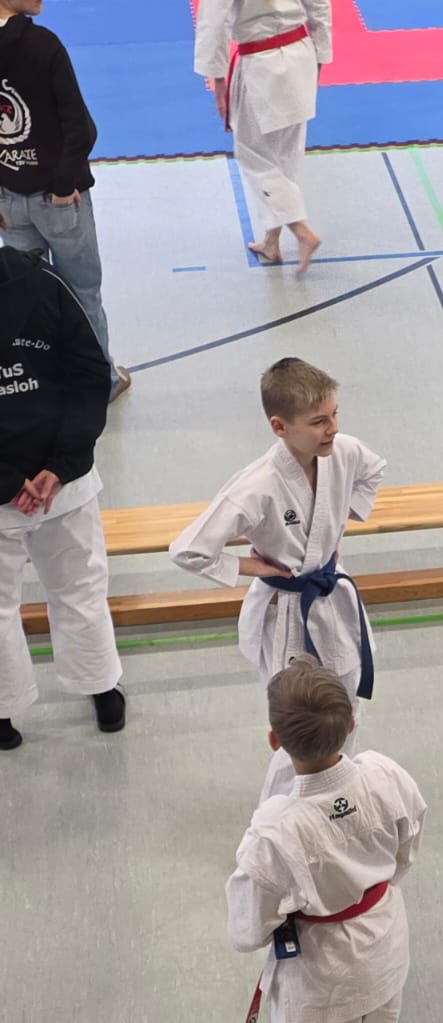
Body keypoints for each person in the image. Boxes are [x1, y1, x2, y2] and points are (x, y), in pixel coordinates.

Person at [227, 658, 426, 1023]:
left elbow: (248, 926)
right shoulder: (385, 776)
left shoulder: (275, 828)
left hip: (320, 968)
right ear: (352, 723)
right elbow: (408, 847)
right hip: (384, 935)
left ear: (274, 740)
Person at [169, 356, 384, 797]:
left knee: (344, 708)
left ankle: (336, 793)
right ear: (279, 426)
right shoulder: (257, 484)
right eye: (318, 421)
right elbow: (188, 550)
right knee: (298, 722)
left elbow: (372, 471)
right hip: (288, 609)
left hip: (334, 594)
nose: (333, 428)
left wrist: (334, 524)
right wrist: (252, 566)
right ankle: (286, 807)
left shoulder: (344, 451)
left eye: (335, 414)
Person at [0, 245, 125, 750]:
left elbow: (89, 372)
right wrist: (60, 465)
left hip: (47, 485)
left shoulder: (45, 282)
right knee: (79, 588)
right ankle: (102, 690)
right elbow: (91, 373)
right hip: (61, 486)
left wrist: (19, 480)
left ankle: (3, 710)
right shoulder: (44, 281)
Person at [0, 0, 129, 399]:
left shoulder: (42, 44)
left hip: (7, 196)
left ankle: (43, 384)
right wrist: (61, 185)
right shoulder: (43, 46)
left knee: (29, 297)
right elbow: (80, 127)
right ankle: (100, 384)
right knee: (82, 293)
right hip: (57, 199)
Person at [194, 0, 332, 274]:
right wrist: (321, 55)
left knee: (253, 157)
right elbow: (319, 4)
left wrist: (218, 80)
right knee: (284, 157)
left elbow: (214, 20)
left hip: (262, 64)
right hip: (301, 52)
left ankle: (302, 232)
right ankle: (271, 241)